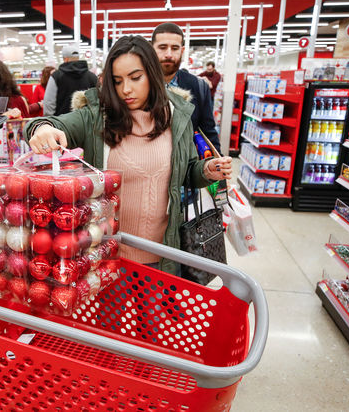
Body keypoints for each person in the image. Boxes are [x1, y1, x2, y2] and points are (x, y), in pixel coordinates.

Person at [25, 36, 232, 275]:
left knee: (155, 313)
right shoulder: (95, 117)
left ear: (152, 75)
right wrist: (42, 129)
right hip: (106, 256)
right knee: (109, 313)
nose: (126, 89)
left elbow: (186, 172)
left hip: (161, 257)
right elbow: (46, 123)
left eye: (135, 78)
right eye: (117, 81)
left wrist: (207, 170)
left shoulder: (177, 117)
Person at [152, 23, 220, 152]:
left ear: (182, 51)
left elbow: (208, 132)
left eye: (175, 48)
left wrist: (218, 163)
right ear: (151, 49)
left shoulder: (198, 87)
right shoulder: (138, 85)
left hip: (186, 167)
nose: (168, 54)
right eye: (162, 47)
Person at [43, 44, 98, 116]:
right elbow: (97, 100)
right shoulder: (92, 77)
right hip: (86, 123)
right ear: (78, 58)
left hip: (62, 123)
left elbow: (49, 102)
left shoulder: (56, 76)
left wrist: (51, 122)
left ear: (65, 59)